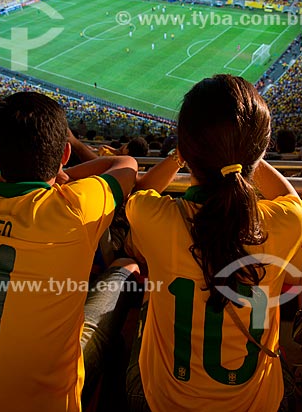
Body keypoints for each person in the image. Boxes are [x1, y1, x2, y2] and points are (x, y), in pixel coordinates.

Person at [125, 74, 302, 412]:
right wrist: (244, 153)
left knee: (144, 310)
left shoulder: (154, 218)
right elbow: (291, 198)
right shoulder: (285, 222)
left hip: (162, 401)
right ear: (260, 148)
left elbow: (139, 190)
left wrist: (182, 155)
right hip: (258, 403)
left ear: (188, 149)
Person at [0, 91, 139, 412]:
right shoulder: (72, 206)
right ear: (64, 154)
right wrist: (65, 178)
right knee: (126, 268)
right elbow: (126, 165)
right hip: (49, 402)